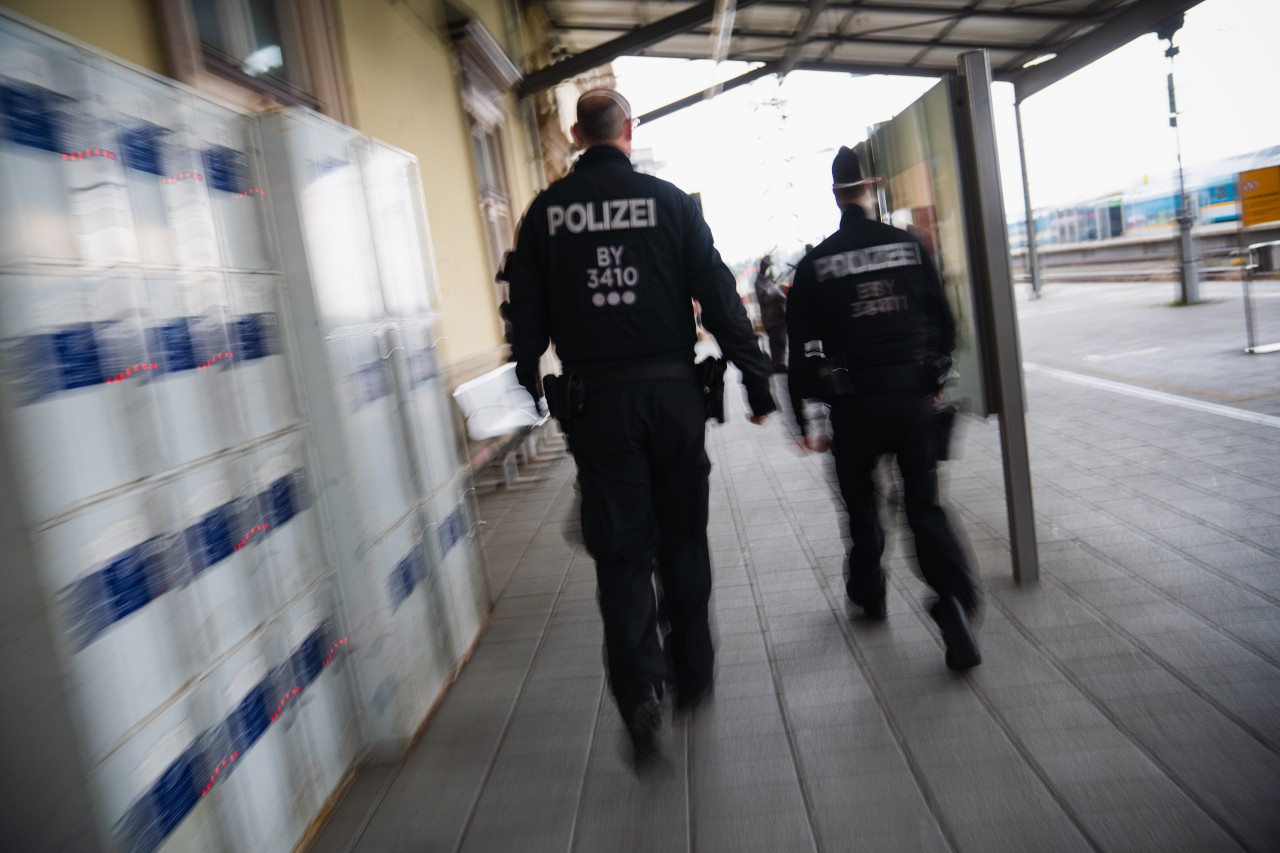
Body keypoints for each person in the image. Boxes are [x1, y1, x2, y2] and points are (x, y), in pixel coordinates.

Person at [505, 87, 776, 767]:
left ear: (575, 133)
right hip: (672, 395)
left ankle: (639, 694)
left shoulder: (545, 212)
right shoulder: (671, 202)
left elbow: (526, 308)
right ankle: (694, 674)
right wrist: (755, 372)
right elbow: (718, 293)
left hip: (598, 405)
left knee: (621, 555)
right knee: (684, 537)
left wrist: (528, 372)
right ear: (630, 128)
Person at [786, 146, 980, 671]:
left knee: (862, 507)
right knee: (924, 506)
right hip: (914, 402)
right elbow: (945, 323)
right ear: (870, 188)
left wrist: (804, 418)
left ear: (835, 195)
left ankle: (869, 594)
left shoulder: (816, 263)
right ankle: (954, 601)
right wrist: (934, 378)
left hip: (854, 409)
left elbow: (800, 347)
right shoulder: (909, 247)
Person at [753, 254, 788, 373]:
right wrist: (780, 294)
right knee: (776, 341)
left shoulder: (768, 279)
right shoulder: (759, 281)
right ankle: (776, 364)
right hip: (771, 317)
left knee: (781, 341)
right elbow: (768, 296)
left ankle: (780, 363)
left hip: (778, 315)